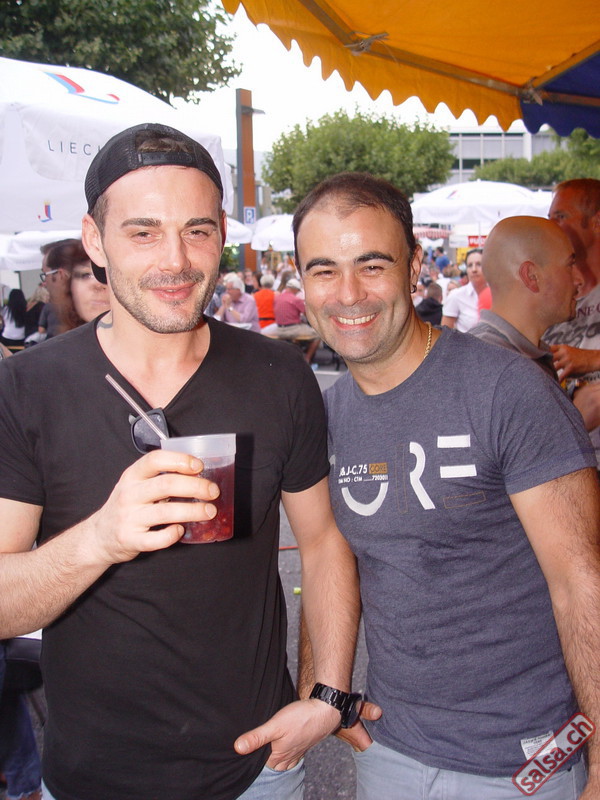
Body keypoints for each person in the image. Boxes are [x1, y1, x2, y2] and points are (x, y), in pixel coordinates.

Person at [0, 123, 360, 800]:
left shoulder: (279, 376)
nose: (177, 260)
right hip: (90, 779)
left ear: (221, 234)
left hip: (257, 771)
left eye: (197, 230)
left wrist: (327, 695)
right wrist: (100, 539)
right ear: (94, 240)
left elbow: (321, 543)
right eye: (143, 232)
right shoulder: (26, 388)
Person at [293, 171, 600, 800]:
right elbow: (329, 557)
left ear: (413, 268)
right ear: (302, 283)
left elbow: (581, 581)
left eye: (372, 265)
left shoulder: (508, 390)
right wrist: (323, 693)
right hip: (391, 751)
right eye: (324, 270)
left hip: (525, 764)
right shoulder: (328, 414)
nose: (348, 294)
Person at [469, 216, 577, 380]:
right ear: (531, 276)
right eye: (570, 265)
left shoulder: (499, 357)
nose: (578, 280)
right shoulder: (493, 365)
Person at [543, 179, 600, 469]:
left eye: (561, 216)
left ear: (597, 222)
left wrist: (591, 359)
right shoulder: (549, 294)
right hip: (564, 464)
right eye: (549, 217)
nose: (550, 226)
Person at [263, 279, 320, 364]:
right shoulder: (295, 299)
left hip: (279, 328)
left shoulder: (277, 298)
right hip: (292, 329)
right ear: (294, 289)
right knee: (317, 335)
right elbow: (308, 315)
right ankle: (307, 359)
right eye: (297, 290)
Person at [441, 248, 486, 331]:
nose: (474, 269)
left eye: (479, 264)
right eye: (470, 265)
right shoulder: (456, 296)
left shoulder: (498, 295)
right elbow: (445, 332)